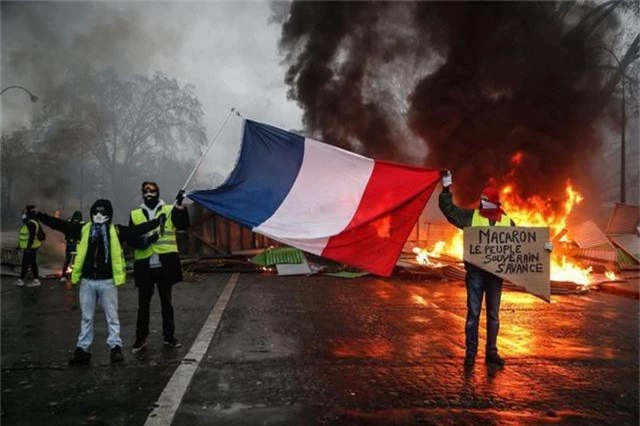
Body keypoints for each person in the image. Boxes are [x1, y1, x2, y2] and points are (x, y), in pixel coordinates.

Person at [438, 170, 552, 368]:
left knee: (493, 314)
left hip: (495, 274)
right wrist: (446, 188)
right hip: (475, 272)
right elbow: (450, 210)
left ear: (495, 204)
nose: (482, 205)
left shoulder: (507, 222)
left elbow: (523, 245)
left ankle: (491, 353)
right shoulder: (471, 217)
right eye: (482, 202)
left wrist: (544, 248)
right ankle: (471, 354)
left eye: (485, 202)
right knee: (473, 313)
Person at [36, 199, 164, 365]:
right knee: (86, 318)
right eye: (95, 212)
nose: (98, 215)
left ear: (109, 215)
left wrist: (156, 222)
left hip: (107, 281)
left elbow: (135, 230)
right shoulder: (84, 229)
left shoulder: (116, 231)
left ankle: (115, 348)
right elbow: (60, 224)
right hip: (88, 281)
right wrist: (40, 215)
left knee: (112, 317)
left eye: (103, 212)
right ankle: (83, 349)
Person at [129, 182, 189, 353]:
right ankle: (140, 338)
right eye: (146, 190)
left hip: (165, 264)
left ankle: (169, 336)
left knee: (166, 303)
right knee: (143, 304)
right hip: (145, 265)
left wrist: (179, 206)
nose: (149, 193)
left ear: (158, 192)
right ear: (142, 193)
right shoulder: (135, 214)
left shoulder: (169, 210)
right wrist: (147, 240)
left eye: (152, 190)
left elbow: (184, 226)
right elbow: (131, 239)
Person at [15, 205, 45, 288]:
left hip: (31, 247)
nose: (23, 215)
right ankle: (21, 279)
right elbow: (25, 235)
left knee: (29, 262)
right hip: (30, 247)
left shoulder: (31, 223)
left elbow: (31, 237)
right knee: (27, 262)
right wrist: (20, 245)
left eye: (25, 213)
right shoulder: (31, 221)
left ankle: (34, 280)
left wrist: (28, 247)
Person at [60, 210, 84, 283]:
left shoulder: (69, 223)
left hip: (69, 244)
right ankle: (76, 276)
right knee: (77, 261)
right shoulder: (82, 224)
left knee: (67, 260)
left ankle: (63, 276)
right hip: (78, 245)